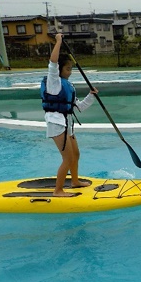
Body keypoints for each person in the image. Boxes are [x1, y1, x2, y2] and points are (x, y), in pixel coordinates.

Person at [41, 33, 98, 197]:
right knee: (67, 158)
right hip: (56, 123)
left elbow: (79, 107)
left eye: (71, 69)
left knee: (76, 155)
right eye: (67, 69)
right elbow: (53, 63)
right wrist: (58, 41)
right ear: (59, 70)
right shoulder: (54, 82)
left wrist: (91, 96)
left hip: (67, 123)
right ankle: (58, 190)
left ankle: (74, 181)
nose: (70, 72)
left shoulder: (67, 85)